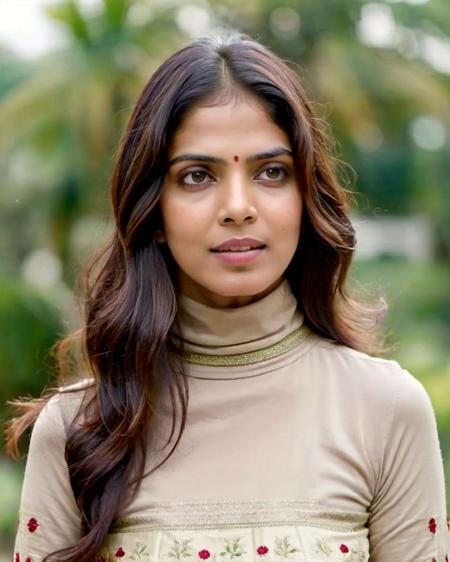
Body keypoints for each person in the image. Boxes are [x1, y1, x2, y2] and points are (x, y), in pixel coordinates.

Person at [7, 33, 448, 562]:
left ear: (305, 198)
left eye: (271, 172)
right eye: (197, 176)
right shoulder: (83, 427)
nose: (238, 206)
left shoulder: (384, 409)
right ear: (155, 212)